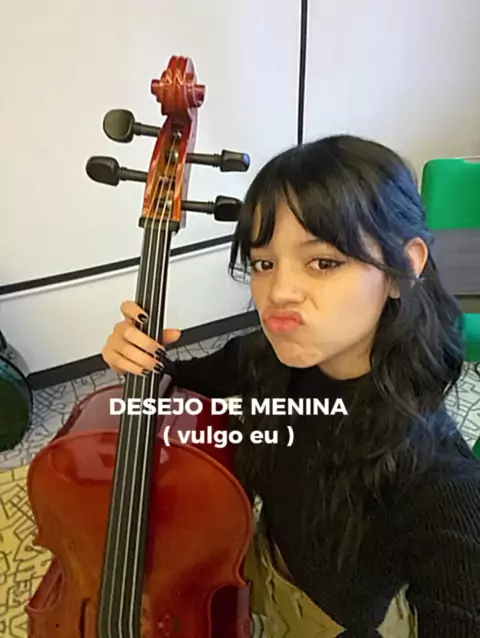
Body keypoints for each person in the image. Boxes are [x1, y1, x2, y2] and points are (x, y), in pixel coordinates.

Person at [102, 134, 480, 637]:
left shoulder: (445, 487)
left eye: (323, 262)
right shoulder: (263, 358)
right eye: (264, 263)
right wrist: (138, 357)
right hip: (258, 560)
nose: (278, 292)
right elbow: (177, 380)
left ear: (403, 268)